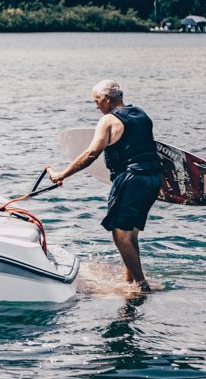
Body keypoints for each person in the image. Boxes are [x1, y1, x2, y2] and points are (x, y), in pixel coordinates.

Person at [47, 80, 161, 291]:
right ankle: (129, 280)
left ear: (107, 99)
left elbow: (91, 153)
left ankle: (141, 286)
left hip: (131, 179)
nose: (96, 106)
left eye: (97, 100)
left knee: (120, 235)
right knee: (131, 233)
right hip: (153, 178)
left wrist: (62, 174)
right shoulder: (141, 114)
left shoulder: (108, 120)